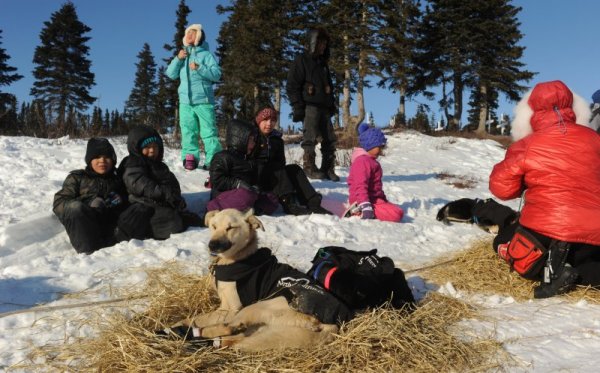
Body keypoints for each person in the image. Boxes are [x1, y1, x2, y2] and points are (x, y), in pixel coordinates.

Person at [441, 80, 600, 299]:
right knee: (589, 262)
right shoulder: (594, 138)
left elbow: (502, 189)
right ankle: (574, 268)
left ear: (531, 111)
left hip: (547, 231)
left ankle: (553, 269)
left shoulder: (528, 144)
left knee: (504, 243)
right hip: (594, 234)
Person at [117, 126, 203, 240]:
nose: (152, 150)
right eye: (147, 147)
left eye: (155, 146)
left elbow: (172, 183)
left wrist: (175, 197)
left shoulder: (160, 166)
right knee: (171, 221)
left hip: (160, 203)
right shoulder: (133, 163)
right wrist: (165, 193)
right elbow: (139, 184)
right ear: (136, 148)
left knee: (190, 220)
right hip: (141, 206)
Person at [251, 107, 332, 215]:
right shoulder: (252, 137)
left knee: (294, 169)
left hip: (274, 176)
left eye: (273, 120)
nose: (269, 123)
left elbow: (281, 162)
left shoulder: (277, 140)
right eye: (265, 120)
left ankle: (312, 201)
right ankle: (288, 203)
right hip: (257, 176)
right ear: (258, 121)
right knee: (276, 168)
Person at [53, 138, 127, 254]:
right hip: (87, 228)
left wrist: (120, 199)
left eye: (107, 157)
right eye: (97, 157)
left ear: (113, 160)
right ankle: (89, 254)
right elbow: (59, 202)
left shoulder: (119, 178)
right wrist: (87, 202)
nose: (102, 161)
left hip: (113, 231)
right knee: (75, 208)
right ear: (89, 160)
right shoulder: (77, 178)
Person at [166, 24, 222, 171]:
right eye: (188, 33)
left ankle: (213, 159)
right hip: (185, 101)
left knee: (208, 131)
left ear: (199, 36)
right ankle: (190, 157)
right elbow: (170, 74)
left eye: (193, 33)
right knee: (188, 130)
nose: (189, 35)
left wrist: (199, 67)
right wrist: (178, 59)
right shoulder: (182, 54)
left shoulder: (206, 55)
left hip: (203, 100)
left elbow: (216, 74)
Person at [286, 27, 339, 181]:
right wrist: (297, 106)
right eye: (321, 43)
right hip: (310, 106)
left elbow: (329, 86)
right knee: (310, 138)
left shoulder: (323, 64)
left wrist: (332, 104)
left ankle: (328, 168)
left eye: (325, 43)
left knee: (329, 138)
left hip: (324, 107)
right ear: (313, 42)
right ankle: (309, 167)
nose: (323, 46)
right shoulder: (301, 60)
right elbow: (292, 85)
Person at [207, 119, 279, 215]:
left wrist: (255, 187)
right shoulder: (223, 156)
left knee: (271, 198)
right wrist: (237, 184)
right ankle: (214, 207)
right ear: (240, 138)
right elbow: (217, 179)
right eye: (251, 140)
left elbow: (252, 179)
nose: (253, 144)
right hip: (224, 195)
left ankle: (249, 209)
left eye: (254, 140)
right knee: (245, 196)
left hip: (246, 194)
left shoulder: (249, 160)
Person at [346, 123, 404, 222]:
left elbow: (376, 185)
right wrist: (364, 205)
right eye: (379, 146)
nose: (381, 150)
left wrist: (383, 199)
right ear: (370, 145)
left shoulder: (371, 161)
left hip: (373, 199)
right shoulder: (362, 162)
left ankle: (373, 207)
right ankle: (357, 211)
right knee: (396, 214)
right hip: (362, 200)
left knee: (399, 210)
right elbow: (360, 185)